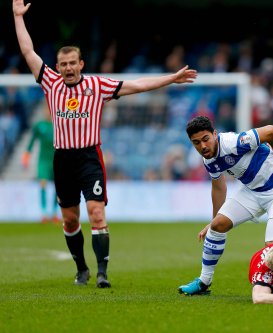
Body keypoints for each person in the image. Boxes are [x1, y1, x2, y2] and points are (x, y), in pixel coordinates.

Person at [13, 0, 198, 288]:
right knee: (71, 220)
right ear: (58, 67)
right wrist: (17, 17)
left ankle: (102, 273)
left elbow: (137, 85)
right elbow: (27, 51)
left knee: (97, 213)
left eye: (73, 63)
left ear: (81, 64)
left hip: (89, 157)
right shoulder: (50, 82)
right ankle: (81, 269)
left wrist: (171, 79)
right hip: (62, 161)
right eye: (63, 64)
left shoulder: (97, 86)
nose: (68, 68)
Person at [179, 116, 273, 295]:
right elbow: (219, 187)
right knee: (218, 226)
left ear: (214, 134)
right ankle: (204, 282)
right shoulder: (209, 159)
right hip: (252, 191)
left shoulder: (233, 143)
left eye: (205, 139)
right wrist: (213, 223)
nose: (202, 146)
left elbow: (272, 130)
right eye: (196, 143)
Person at [21, 106, 59, 224]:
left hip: (57, 160)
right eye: (46, 110)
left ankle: (54, 213)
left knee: (58, 188)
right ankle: (43, 213)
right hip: (43, 161)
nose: (47, 112)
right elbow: (32, 140)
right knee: (43, 184)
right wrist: (27, 154)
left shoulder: (58, 124)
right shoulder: (39, 125)